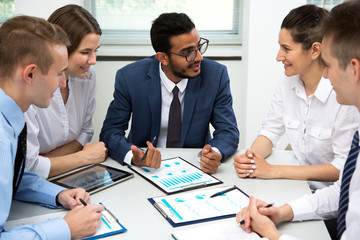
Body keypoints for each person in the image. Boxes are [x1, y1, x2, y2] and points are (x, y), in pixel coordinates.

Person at [237, 1, 360, 239]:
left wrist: (273, 171)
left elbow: (341, 176)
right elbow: (344, 190)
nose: (326, 73)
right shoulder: (288, 82)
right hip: (306, 195)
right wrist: (281, 211)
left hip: (324, 207)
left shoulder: (346, 102)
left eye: (330, 64)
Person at [0, 15, 104, 239]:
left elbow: (15, 176)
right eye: (59, 73)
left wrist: (58, 194)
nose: (63, 83)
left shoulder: (10, 117)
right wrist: (65, 229)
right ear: (30, 74)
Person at [100, 12, 239, 174]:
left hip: (194, 166)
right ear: (162, 58)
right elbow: (111, 131)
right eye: (189, 52)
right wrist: (133, 156)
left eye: (199, 47)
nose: (199, 57)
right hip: (144, 167)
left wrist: (215, 152)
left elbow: (228, 131)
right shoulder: (130, 77)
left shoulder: (216, 75)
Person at [24, 4, 107, 179]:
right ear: (61, 49)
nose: (93, 61)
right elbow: (28, 167)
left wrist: (47, 161)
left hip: (70, 173)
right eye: (85, 52)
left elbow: (86, 131)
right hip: (35, 181)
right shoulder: (30, 88)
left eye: (95, 51)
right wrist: (83, 157)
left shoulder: (88, 77)